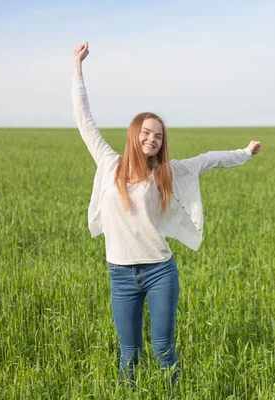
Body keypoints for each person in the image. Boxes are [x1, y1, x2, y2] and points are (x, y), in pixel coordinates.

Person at [71, 41, 261, 384]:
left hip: (160, 271)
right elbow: (84, 121)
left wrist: (244, 152)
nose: (152, 139)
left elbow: (208, 160)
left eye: (158, 136)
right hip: (121, 274)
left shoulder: (165, 173)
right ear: (134, 134)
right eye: (146, 132)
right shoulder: (109, 163)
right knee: (128, 353)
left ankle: (174, 392)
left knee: (163, 350)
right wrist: (77, 68)